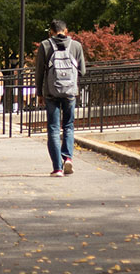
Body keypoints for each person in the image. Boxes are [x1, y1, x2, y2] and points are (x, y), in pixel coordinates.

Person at [34, 19, 86, 177]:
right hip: (70, 93)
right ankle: (68, 157)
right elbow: (82, 71)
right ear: (66, 30)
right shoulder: (76, 46)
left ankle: (57, 168)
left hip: (51, 93)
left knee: (53, 129)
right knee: (69, 126)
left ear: (51, 31)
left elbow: (39, 72)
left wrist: (39, 93)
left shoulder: (45, 45)